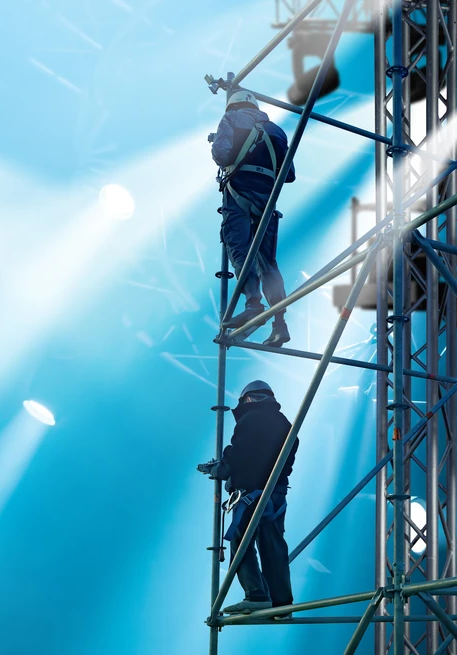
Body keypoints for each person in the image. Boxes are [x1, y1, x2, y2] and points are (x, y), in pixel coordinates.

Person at [201, 380, 298, 619]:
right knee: (273, 548)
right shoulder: (286, 425)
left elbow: (241, 452)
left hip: (251, 496)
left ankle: (256, 596)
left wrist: (221, 469)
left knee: (241, 544)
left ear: (249, 399)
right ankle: (282, 604)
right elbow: (265, 457)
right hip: (275, 497)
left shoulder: (251, 420)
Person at [211, 90, 293, 348]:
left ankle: (253, 305)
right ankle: (279, 323)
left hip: (239, 193)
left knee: (238, 247)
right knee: (268, 261)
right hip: (267, 199)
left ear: (233, 106)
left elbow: (221, 155)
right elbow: (288, 174)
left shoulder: (232, 118)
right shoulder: (278, 131)